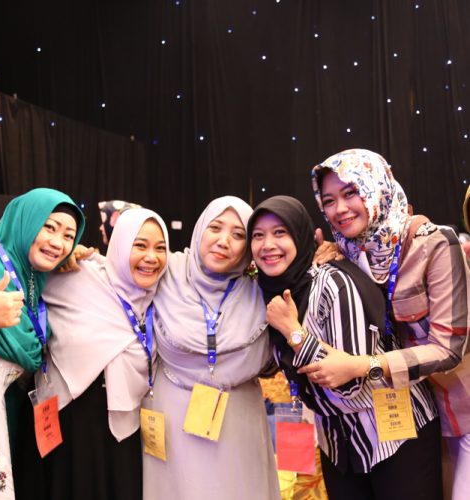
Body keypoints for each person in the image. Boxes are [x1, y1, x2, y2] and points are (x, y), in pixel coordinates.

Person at [248, 195, 442, 500]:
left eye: (280, 232)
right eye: (258, 235)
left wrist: (293, 332)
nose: (268, 244)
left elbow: (348, 385)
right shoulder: (270, 291)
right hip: (338, 443)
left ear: (300, 234)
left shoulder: (332, 283)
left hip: (394, 433)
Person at [309, 148, 470, 500]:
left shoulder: (435, 244)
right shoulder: (349, 252)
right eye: (329, 200)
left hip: (461, 411)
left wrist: (362, 366)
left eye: (351, 193)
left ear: (376, 187)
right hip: (410, 417)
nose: (339, 209)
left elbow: (449, 349)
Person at [13, 207, 168, 500]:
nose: (151, 257)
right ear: (120, 245)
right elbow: (23, 268)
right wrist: (65, 254)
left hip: (128, 429)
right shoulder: (78, 275)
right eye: (140, 245)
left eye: (160, 248)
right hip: (70, 424)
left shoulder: (163, 293)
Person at [142, 196, 281, 500]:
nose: (223, 241)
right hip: (172, 414)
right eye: (215, 228)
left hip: (238, 417)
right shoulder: (165, 273)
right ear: (200, 229)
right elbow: (116, 271)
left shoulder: (262, 289)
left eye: (238, 234)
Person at [0, 188, 85, 499]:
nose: (58, 243)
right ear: (25, 221)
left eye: (69, 236)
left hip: (1, 425)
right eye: (49, 227)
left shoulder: (34, 280)